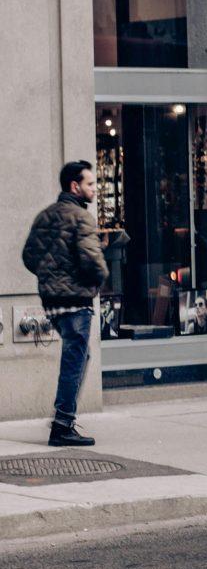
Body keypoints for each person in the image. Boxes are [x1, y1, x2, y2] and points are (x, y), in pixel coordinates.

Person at [20, 161, 110, 447]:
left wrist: (51, 276)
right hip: (76, 301)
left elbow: (29, 256)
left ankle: (63, 421)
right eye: (90, 184)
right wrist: (99, 279)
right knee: (75, 360)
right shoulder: (82, 218)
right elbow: (92, 262)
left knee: (79, 356)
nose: (94, 189)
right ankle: (62, 425)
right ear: (75, 186)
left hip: (53, 302)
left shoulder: (45, 216)